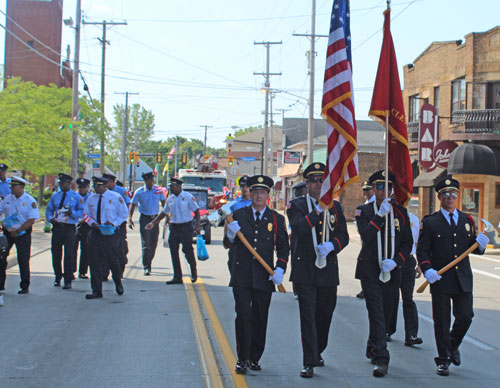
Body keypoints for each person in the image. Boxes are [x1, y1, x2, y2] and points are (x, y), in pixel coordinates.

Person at [417, 177, 488, 376]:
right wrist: (427, 269)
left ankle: (452, 344)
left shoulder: (467, 220)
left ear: (458, 196)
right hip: (440, 278)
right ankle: (443, 359)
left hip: (462, 278)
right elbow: (422, 251)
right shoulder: (430, 222)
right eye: (446, 194)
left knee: (466, 316)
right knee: (441, 320)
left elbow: (470, 247)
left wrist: (480, 244)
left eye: (454, 194)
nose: (450, 197)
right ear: (439, 197)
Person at [287, 163, 349, 378]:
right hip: (305, 270)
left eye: (321, 180)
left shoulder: (336, 207)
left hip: (327, 271)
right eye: (313, 180)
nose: (317, 184)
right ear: (307, 184)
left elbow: (344, 236)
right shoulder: (296, 205)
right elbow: (299, 228)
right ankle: (308, 361)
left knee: (325, 314)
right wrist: (316, 211)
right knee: (308, 317)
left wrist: (332, 246)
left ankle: (318, 350)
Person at [224, 174, 289, 374]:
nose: (259, 196)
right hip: (242, 275)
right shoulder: (239, 215)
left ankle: (255, 357)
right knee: (243, 316)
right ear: (250, 194)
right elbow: (228, 244)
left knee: (261, 317)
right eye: (255, 192)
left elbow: (284, 248)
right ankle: (242, 358)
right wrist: (230, 233)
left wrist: (280, 268)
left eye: (262, 193)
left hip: (264, 276)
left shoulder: (276, 219)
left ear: (268, 195)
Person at [354, 170, 413, 377]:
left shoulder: (400, 213)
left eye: (388, 187)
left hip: (391, 271)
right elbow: (366, 235)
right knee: (376, 313)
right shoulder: (364, 210)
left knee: (387, 315)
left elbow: (407, 243)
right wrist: (379, 217)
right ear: (372, 189)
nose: (383, 190)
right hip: (370, 270)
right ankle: (382, 358)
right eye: (379, 186)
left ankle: (372, 345)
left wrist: (396, 261)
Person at [146, 177, 200, 284]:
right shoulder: (170, 199)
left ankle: (193, 272)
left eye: (173, 186)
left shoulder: (188, 197)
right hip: (174, 228)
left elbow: (196, 211)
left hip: (186, 227)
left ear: (179, 186)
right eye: (170, 187)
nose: (171, 189)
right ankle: (177, 276)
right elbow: (164, 213)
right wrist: (153, 223)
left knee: (187, 250)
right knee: (174, 252)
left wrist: (198, 225)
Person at [84, 176, 128, 299]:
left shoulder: (115, 197)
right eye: (95, 186)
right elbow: (86, 214)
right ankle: (96, 290)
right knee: (94, 261)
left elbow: (123, 214)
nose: (96, 188)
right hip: (95, 231)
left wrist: (113, 223)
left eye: (98, 186)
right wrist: (91, 222)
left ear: (105, 186)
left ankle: (118, 282)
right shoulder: (91, 199)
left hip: (110, 233)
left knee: (113, 260)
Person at [386, 210, 423, 346]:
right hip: (393, 260)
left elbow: (417, 242)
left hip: (408, 261)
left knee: (408, 298)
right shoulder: (388, 216)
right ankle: (387, 330)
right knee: (392, 297)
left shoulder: (413, 219)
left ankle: (411, 334)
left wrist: (419, 264)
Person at [0, 176, 40, 294]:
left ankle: (24, 285)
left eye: (14, 186)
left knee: (23, 258)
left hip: (22, 232)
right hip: (8, 232)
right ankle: (1, 284)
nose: (11, 188)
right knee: (2, 257)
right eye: (11, 186)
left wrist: (18, 231)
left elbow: (31, 219)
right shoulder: (7, 199)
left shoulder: (29, 200)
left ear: (21, 187)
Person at [46, 173, 84, 289]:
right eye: (60, 183)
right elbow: (49, 210)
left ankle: (68, 279)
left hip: (69, 228)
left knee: (69, 254)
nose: (61, 185)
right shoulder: (55, 196)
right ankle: (58, 277)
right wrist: (50, 219)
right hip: (57, 227)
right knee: (56, 253)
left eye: (63, 183)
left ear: (69, 184)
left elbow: (82, 213)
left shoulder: (77, 197)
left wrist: (72, 213)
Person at [128, 171, 166, 276]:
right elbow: (133, 204)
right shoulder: (139, 192)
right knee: (146, 244)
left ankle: (149, 261)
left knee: (153, 244)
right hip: (144, 219)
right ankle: (147, 267)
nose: (150, 182)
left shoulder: (158, 191)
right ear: (145, 181)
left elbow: (164, 205)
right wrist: (130, 218)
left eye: (151, 180)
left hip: (155, 219)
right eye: (148, 180)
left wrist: (168, 218)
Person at [103, 173, 130, 274]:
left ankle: (119, 270)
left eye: (106, 182)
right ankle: (104, 272)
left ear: (111, 182)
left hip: (119, 224)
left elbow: (127, 205)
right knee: (105, 248)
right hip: (105, 224)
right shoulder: (102, 192)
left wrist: (119, 220)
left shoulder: (121, 191)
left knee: (119, 247)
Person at [224, 176, 252, 273]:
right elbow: (227, 220)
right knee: (233, 264)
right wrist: (226, 238)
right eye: (242, 186)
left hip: (252, 239)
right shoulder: (234, 203)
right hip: (237, 239)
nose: (245, 189)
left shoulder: (256, 203)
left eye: (247, 186)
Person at [356, 180, 375, 300]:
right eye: (364, 190)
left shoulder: (378, 205)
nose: (365, 192)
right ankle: (365, 288)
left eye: (367, 190)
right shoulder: (364, 205)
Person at [72, 178, 92, 279]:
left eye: (84, 187)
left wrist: (86, 219)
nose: (82, 189)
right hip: (75, 224)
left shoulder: (91, 198)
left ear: (88, 187)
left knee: (85, 249)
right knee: (72, 248)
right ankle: (71, 271)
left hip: (87, 225)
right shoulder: (74, 196)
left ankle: (83, 271)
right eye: (80, 187)